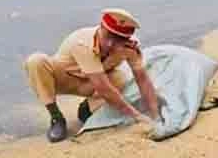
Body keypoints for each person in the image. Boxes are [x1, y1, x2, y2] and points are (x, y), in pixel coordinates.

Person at [23, 8, 160, 143]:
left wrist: (155, 115)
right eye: (108, 36)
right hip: (65, 78)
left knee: (120, 78)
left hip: (91, 83)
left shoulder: (130, 47)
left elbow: (143, 80)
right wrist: (138, 116)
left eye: (117, 40)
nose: (110, 44)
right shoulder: (82, 43)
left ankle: (87, 110)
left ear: (126, 39)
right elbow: (104, 89)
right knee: (36, 61)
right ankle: (56, 117)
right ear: (101, 27)